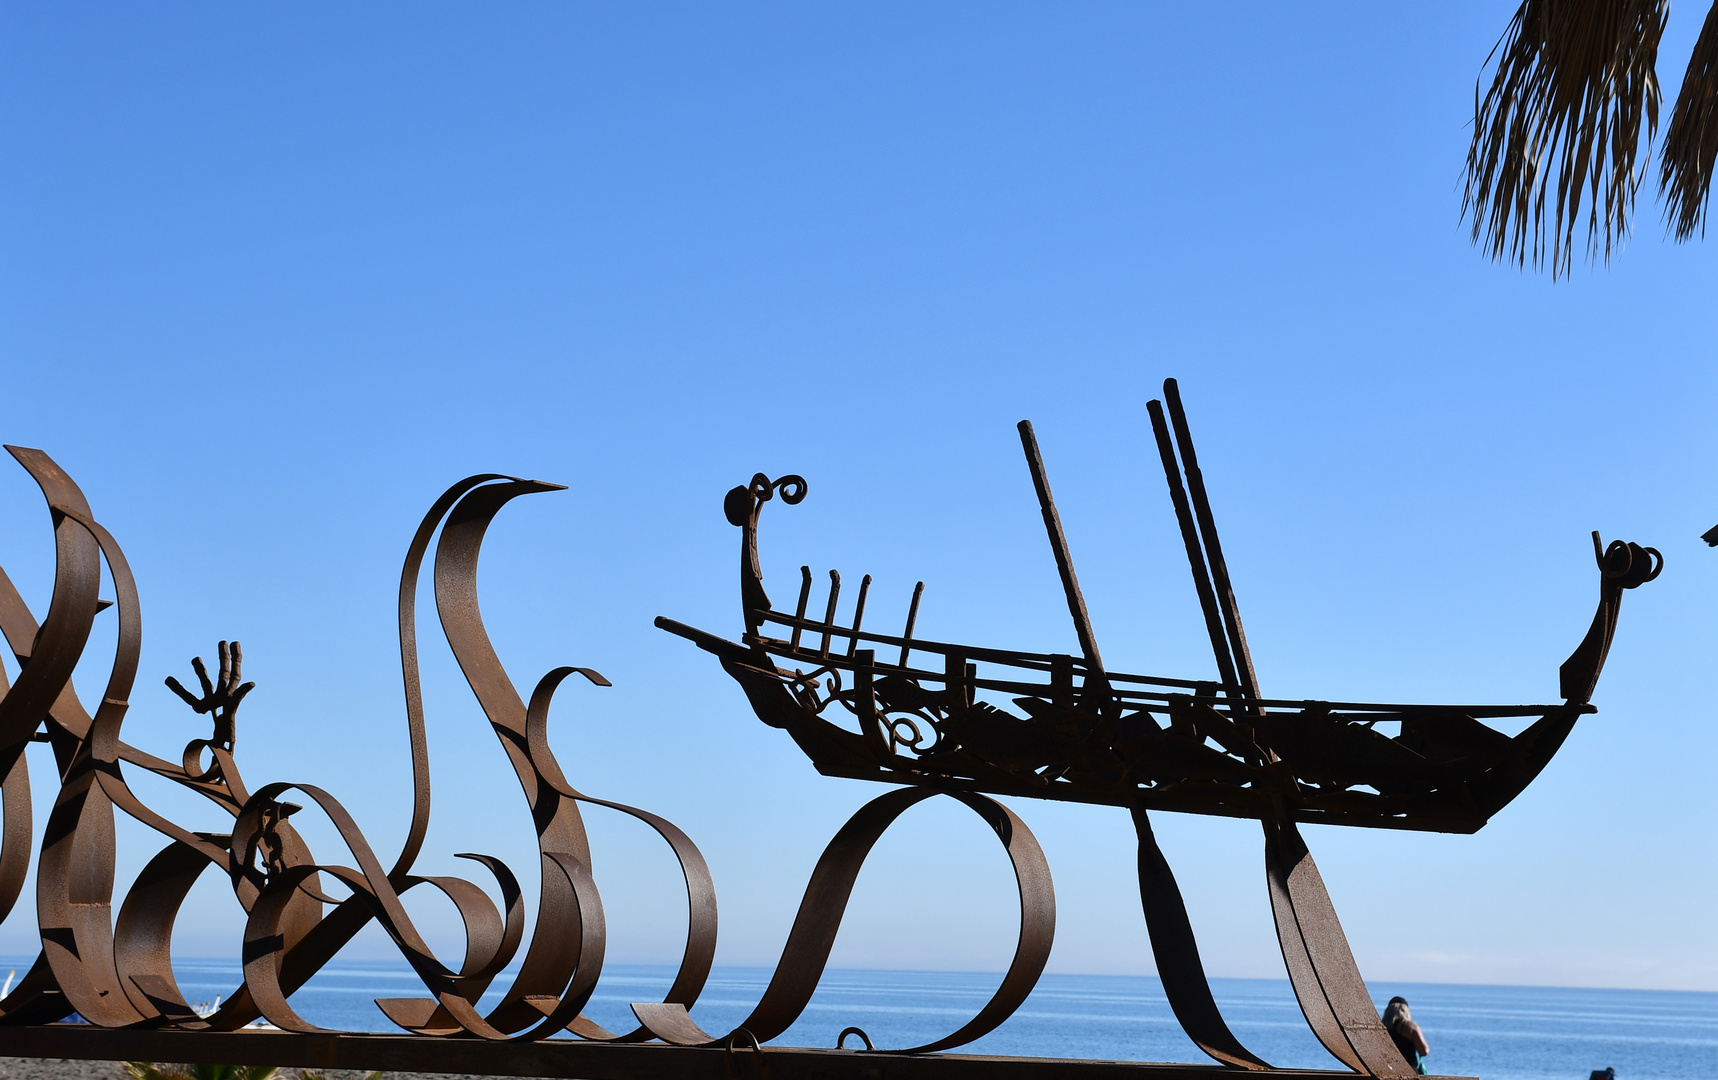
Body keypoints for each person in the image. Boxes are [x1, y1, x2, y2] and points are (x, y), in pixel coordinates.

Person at [1382, 996, 1430, 1075]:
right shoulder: (1410, 1027)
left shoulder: (1381, 1027)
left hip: (1387, 1072)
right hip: (1409, 1072)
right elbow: (1424, 1051)